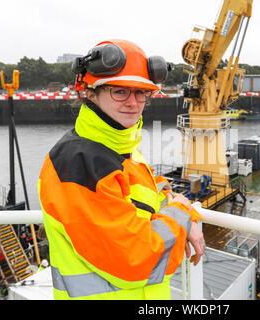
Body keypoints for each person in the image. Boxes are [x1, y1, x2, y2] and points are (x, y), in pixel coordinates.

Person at [38, 39, 205, 300]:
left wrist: (174, 202)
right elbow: (135, 259)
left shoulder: (118, 148)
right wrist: (182, 213)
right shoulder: (78, 162)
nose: (133, 102)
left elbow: (143, 194)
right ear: (90, 92)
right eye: (120, 92)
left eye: (141, 93)